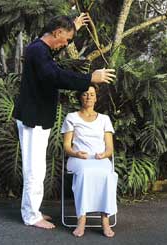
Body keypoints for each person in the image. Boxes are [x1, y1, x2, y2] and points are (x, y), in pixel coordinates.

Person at [13, 13, 116, 230]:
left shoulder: (40, 49)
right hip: (34, 118)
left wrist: (74, 27)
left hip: (37, 116)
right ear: (58, 32)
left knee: (37, 168)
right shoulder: (38, 52)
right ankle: (31, 215)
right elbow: (56, 76)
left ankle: (32, 210)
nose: (66, 43)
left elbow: (52, 55)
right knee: (35, 170)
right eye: (67, 39)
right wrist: (90, 78)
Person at [61, 84, 118, 237]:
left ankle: (105, 221)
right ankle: (82, 220)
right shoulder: (71, 117)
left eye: (92, 94)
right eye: (85, 94)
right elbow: (66, 146)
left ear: (96, 98)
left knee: (106, 174)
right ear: (80, 97)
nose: (89, 97)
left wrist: (104, 155)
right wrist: (76, 153)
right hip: (78, 158)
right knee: (86, 173)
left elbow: (110, 148)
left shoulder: (104, 119)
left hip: (99, 158)